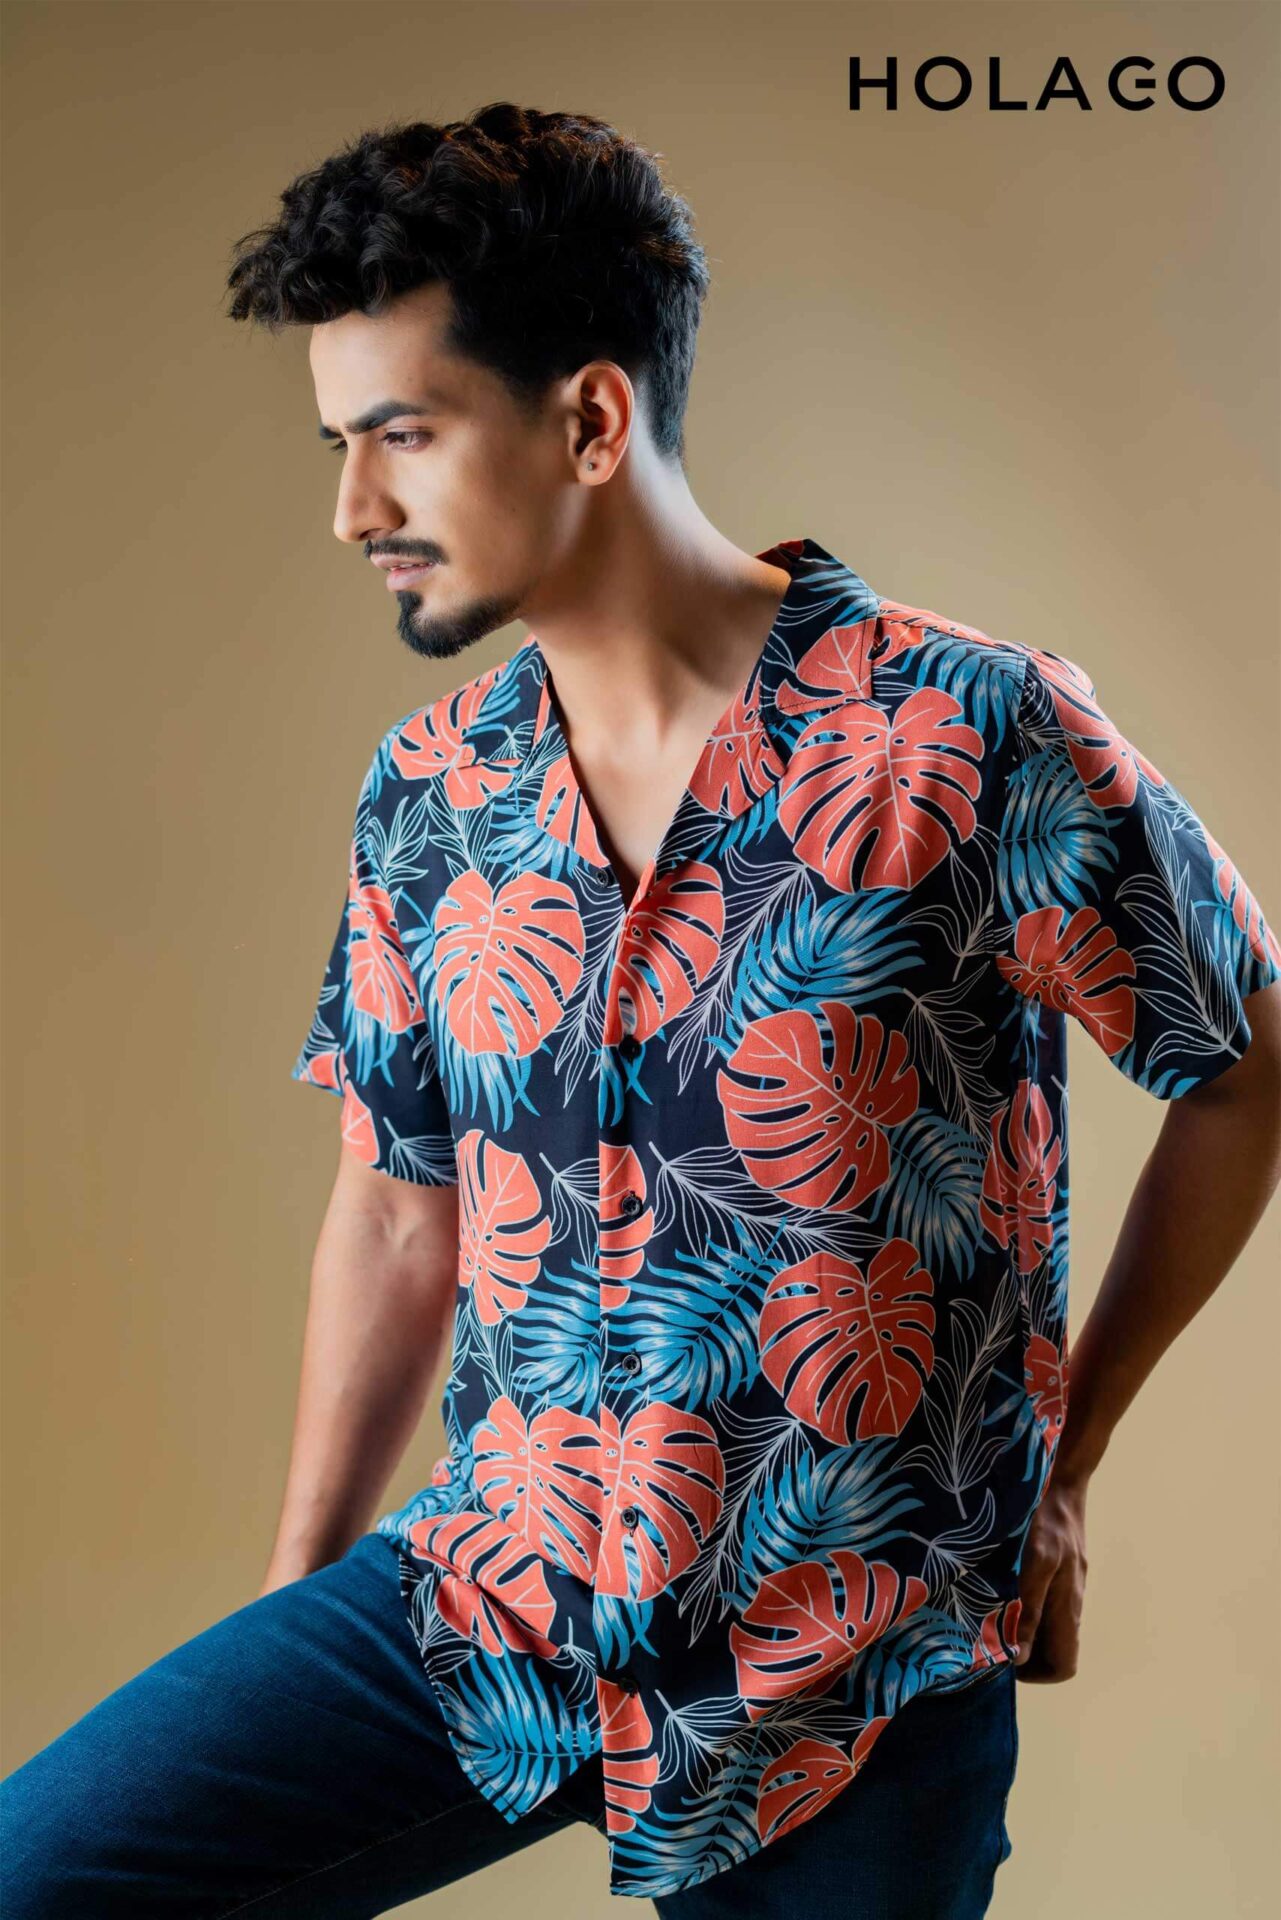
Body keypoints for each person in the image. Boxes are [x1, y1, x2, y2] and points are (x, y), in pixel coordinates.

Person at [3, 100, 1280, 1920]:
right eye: (339, 446)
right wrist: (296, 1595)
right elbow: (397, 1202)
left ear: (591, 420)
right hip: (492, 1602)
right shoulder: (432, 791)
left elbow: (1246, 1062)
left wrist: (1062, 1471)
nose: (353, 510)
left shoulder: (967, 731)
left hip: (846, 1659)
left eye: (402, 437)